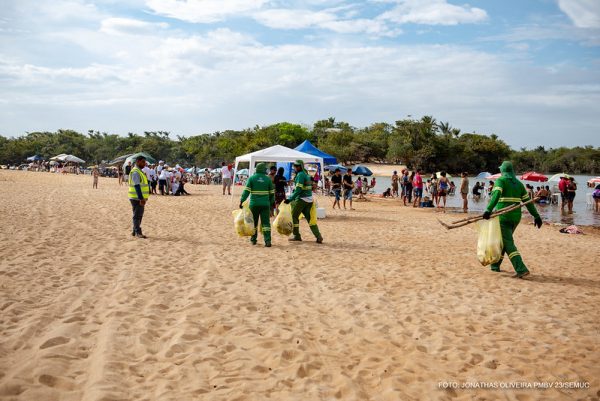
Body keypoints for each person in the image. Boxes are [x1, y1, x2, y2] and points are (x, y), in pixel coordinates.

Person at [482, 161, 542, 278]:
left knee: (508, 243)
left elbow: (496, 196)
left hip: (503, 216)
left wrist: (488, 209)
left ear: (503, 171)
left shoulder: (500, 181)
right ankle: (495, 266)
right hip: (516, 217)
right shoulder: (519, 184)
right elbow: (528, 203)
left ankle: (521, 269)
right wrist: (536, 216)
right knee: (504, 241)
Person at [284, 160, 323, 243]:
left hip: (301, 199)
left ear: (300, 167)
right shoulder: (306, 174)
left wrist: (290, 199)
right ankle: (318, 236)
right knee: (310, 219)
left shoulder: (300, 175)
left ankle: (297, 236)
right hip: (309, 200)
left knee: (294, 216)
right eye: (295, 166)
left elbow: (298, 189)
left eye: (297, 166)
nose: (295, 167)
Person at [239, 163, 275, 247]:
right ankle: (267, 241)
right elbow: (272, 193)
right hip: (265, 204)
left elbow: (246, 192)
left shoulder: (251, 178)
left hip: (254, 205)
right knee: (266, 224)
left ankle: (253, 240)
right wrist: (271, 203)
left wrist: (241, 201)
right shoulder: (268, 179)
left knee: (253, 222)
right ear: (263, 169)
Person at [128, 156, 150, 238]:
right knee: (137, 215)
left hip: (137, 197)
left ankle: (135, 231)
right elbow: (137, 186)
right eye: (143, 162)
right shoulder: (136, 172)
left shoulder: (139, 171)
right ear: (138, 161)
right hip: (136, 197)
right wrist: (141, 198)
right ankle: (137, 232)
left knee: (138, 215)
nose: (144, 164)